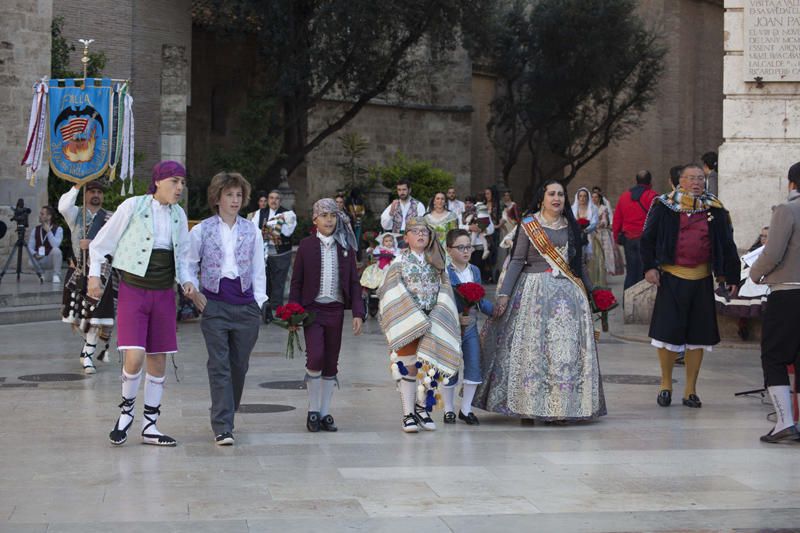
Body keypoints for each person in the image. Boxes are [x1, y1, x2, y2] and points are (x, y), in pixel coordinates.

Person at [474, 180, 606, 423]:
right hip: (533, 295)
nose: (556, 198)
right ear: (541, 198)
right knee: (531, 351)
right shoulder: (529, 225)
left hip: (568, 299)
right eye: (551, 194)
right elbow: (516, 261)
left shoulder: (571, 227)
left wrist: (593, 291)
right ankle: (528, 406)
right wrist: (503, 294)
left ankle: (561, 408)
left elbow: (578, 266)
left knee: (562, 353)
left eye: (561, 194)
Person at [89, 160, 192, 446]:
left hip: (163, 293)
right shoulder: (133, 206)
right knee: (134, 356)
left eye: (182, 182)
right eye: (175, 181)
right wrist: (93, 277)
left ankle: (150, 426)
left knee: (158, 358)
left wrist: (187, 281)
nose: (180, 187)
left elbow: (183, 255)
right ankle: (125, 414)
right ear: (158, 181)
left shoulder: (179, 215)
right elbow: (101, 244)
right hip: (134, 289)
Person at [641, 163, 739, 409]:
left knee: (698, 336)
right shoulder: (663, 206)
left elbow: (727, 244)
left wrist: (731, 276)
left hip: (702, 280)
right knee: (667, 333)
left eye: (700, 178)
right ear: (680, 181)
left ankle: (690, 390)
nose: (697, 182)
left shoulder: (715, 209)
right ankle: (665, 385)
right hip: (672, 278)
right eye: (691, 178)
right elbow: (647, 238)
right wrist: (650, 267)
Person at [186, 172, 269, 446]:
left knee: (238, 365)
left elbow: (259, 268)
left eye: (238, 195)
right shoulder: (201, 230)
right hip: (215, 304)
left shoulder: (252, 230)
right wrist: (194, 290)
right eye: (229, 195)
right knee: (219, 364)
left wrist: (258, 301)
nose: (235, 200)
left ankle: (226, 410)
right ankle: (223, 425)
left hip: (246, 307)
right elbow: (188, 262)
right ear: (217, 197)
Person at [377, 216, 461, 433]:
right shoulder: (398, 263)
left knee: (431, 367)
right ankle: (407, 414)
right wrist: (410, 315)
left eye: (424, 231)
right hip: (409, 320)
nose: (421, 235)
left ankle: (423, 408)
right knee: (408, 365)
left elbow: (446, 288)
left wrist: (440, 312)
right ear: (406, 237)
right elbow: (390, 292)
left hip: (434, 319)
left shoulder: (438, 261)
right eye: (415, 231)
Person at [289, 199, 364, 433]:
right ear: (315, 220)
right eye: (324, 216)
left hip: (335, 310)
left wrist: (358, 313)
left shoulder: (346, 248)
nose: (329, 220)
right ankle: (312, 409)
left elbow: (353, 282)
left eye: (333, 215)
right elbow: (297, 282)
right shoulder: (306, 246)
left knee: (331, 361)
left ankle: (324, 412)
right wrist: (293, 313)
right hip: (312, 311)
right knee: (316, 358)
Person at [749, 162, 800, 442]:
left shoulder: (786, 210)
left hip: (789, 292)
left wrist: (756, 274)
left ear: (791, 183)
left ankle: (784, 422)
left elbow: (773, 252)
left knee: (774, 356)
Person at [58, 180, 116, 374]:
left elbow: (116, 244)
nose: (96, 195)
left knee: (96, 317)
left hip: (100, 274)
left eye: (99, 192)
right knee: (79, 318)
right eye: (92, 191)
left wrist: (92, 245)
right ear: (85, 194)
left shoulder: (111, 217)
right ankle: (87, 348)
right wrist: (77, 185)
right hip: (78, 272)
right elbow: (63, 206)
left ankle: (88, 354)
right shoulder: (75, 214)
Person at [444, 228, 493, 425]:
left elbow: (479, 298)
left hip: (471, 324)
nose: (466, 251)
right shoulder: (445, 272)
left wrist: (495, 310)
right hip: (451, 325)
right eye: (461, 247)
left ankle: (466, 409)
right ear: (449, 250)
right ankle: (448, 409)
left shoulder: (475, 271)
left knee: (473, 363)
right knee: (450, 366)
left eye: (469, 247)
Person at [613, 170, 659, 290]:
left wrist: (616, 237)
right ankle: (643, 305)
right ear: (650, 181)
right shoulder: (653, 197)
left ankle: (628, 302)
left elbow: (617, 218)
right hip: (646, 241)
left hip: (629, 239)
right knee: (646, 273)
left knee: (631, 273)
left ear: (636, 180)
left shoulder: (624, 196)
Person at [252, 189, 297, 308]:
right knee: (264, 281)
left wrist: (273, 228)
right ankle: (265, 308)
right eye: (271, 198)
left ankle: (276, 309)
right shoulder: (260, 213)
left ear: (280, 201)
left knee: (279, 282)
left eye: (276, 198)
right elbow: (254, 230)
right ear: (268, 200)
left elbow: (288, 232)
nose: (274, 201)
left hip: (282, 253)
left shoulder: (288, 214)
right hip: (264, 253)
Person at [589, 190, 624, 286]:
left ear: (599, 198)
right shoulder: (589, 208)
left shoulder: (603, 208)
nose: (594, 199)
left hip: (602, 234)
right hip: (591, 234)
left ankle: (603, 277)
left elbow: (605, 220)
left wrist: (601, 223)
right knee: (593, 256)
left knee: (604, 255)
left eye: (596, 197)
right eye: (592, 197)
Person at [461, 198, 495, 281]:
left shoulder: (484, 214)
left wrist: (482, 229)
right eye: (466, 203)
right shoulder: (461, 214)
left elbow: (491, 229)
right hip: (464, 246)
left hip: (479, 247)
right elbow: (458, 226)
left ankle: (477, 286)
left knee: (477, 268)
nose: (468, 205)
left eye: (470, 203)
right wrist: (469, 227)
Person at [28, 205, 63, 283]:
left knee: (56, 250)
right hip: (39, 258)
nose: (40, 216)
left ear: (49, 216)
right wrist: (35, 254)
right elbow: (30, 247)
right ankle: (41, 275)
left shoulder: (58, 229)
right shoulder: (36, 229)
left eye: (42, 214)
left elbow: (55, 245)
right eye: (40, 214)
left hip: (50, 259)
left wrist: (49, 232)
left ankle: (56, 275)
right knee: (30, 262)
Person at [572, 187, 599, 278]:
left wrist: (585, 230)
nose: (582, 198)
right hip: (576, 237)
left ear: (588, 197)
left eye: (584, 196)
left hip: (590, 236)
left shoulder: (593, 208)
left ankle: (590, 281)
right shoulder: (573, 209)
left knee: (589, 261)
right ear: (578, 197)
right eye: (580, 196)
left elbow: (594, 222)